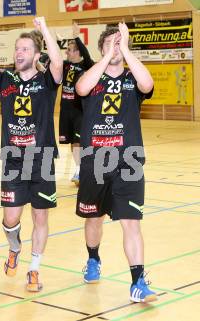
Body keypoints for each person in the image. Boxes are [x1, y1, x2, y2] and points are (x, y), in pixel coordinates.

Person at [0, 17, 63, 292]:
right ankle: (14, 247)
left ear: (35, 55)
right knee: (11, 218)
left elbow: (58, 64)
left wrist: (45, 29)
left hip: (42, 159)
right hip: (13, 159)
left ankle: (34, 269)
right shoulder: (5, 79)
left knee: (40, 217)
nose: (18, 53)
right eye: (17, 49)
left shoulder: (46, 81)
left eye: (24, 49)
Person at [75, 23, 157, 303]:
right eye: (110, 42)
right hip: (95, 160)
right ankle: (94, 259)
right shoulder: (93, 76)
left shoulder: (133, 78)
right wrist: (106, 55)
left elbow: (148, 84)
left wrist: (125, 50)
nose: (116, 47)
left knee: (131, 223)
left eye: (121, 42)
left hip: (128, 161)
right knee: (93, 218)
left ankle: (137, 282)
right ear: (101, 48)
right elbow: (81, 88)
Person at [58, 22, 94, 185]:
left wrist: (76, 37)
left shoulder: (85, 65)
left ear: (78, 52)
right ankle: (79, 168)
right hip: (65, 111)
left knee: (80, 141)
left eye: (71, 50)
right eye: (67, 50)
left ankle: (83, 170)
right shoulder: (64, 66)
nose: (67, 52)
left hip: (80, 110)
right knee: (73, 142)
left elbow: (86, 55)